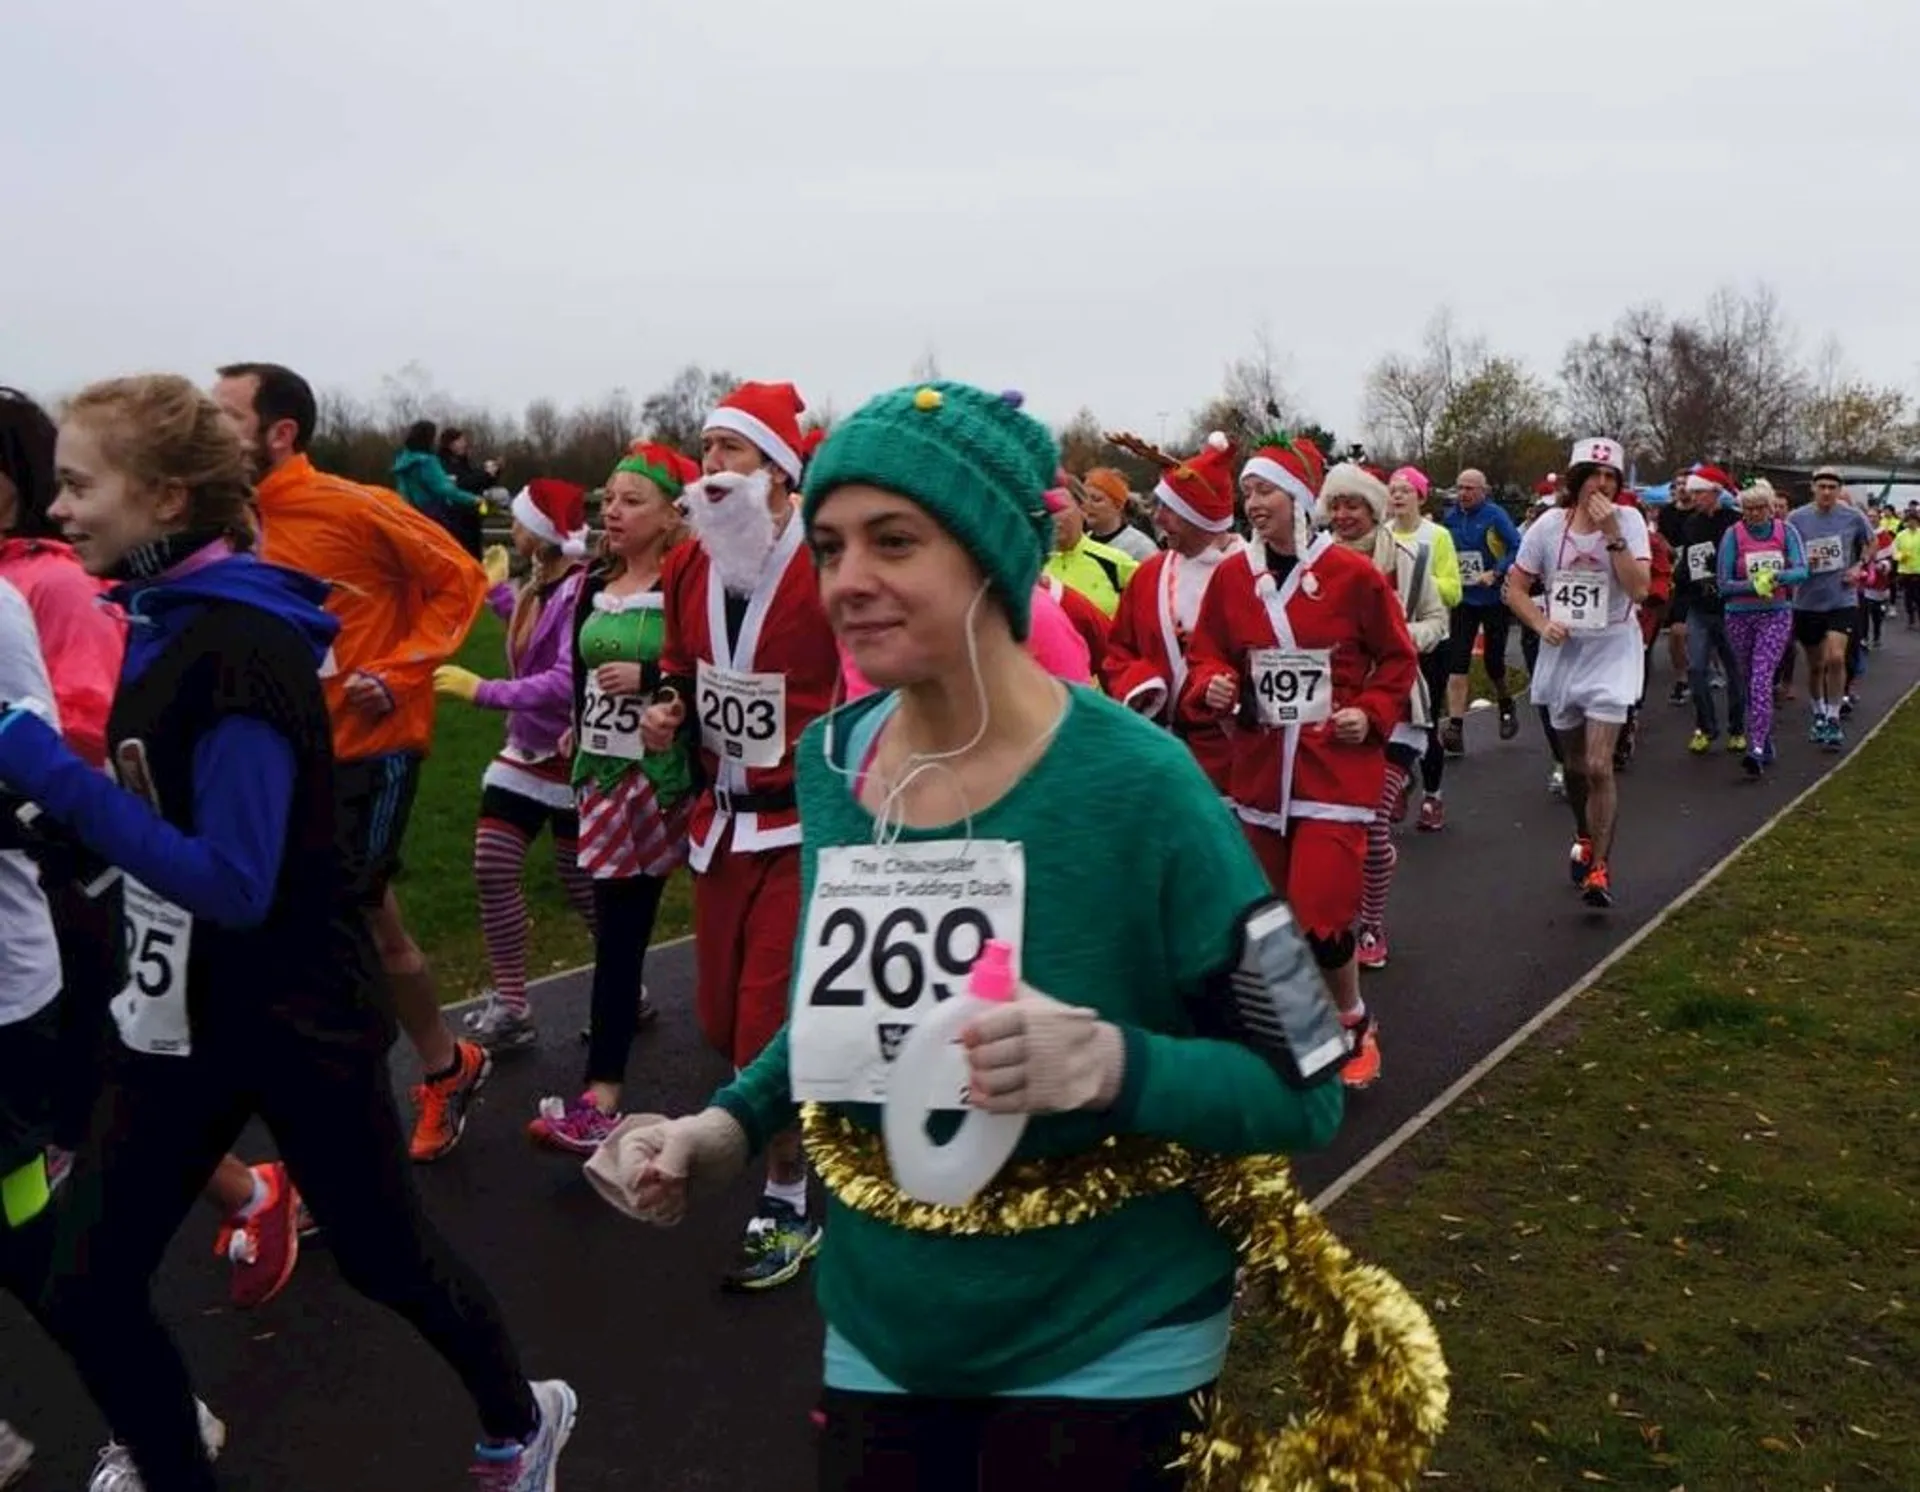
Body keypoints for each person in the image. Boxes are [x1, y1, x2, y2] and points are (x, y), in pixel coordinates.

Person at [586, 380, 1347, 1490]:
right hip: (885, 1328)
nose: (847, 580)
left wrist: (1106, 1064)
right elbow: (844, 1021)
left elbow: (1307, 1082)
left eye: (894, 541)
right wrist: (724, 1130)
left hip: (1110, 1338)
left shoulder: (1148, 786)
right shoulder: (837, 764)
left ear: (990, 551)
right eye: (833, 544)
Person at [0, 375, 572, 1491]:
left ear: (164, 497)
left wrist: (49, 778)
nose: (55, 509)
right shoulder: (162, 618)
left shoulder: (243, 645)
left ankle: (521, 1416)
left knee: (381, 1253)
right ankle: (175, 1463)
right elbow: (161, 813)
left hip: (294, 1012)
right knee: (88, 1278)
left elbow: (235, 881)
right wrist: (57, 831)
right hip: (179, 1012)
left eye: (76, 484)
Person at [212, 363, 494, 1169]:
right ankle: (447, 1064)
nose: (207, 428)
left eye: (223, 415)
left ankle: (339, 1148)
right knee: (367, 921)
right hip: (278, 756)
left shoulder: (355, 504)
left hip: (371, 746)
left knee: (326, 933)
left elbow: (460, 580)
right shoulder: (223, 521)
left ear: (280, 432)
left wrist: (400, 668)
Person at [639, 381, 839, 1291]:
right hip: (718, 827)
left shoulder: (827, 568)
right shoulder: (690, 567)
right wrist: (666, 710)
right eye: (707, 449)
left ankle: (790, 1195)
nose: (711, 469)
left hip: (803, 827)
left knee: (763, 1025)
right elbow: (679, 669)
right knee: (719, 1020)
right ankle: (822, 1116)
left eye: (733, 453)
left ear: (781, 473)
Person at [1183, 461, 1419, 1089]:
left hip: (1332, 774)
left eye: (1263, 491)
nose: (1252, 503)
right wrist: (1213, 684)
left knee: (1319, 915)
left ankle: (1353, 1019)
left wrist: (1368, 715)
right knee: (1271, 916)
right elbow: (1206, 650)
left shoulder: (1353, 575)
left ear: (1295, 498)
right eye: (1246, 493)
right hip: (1261, 771)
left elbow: (1398, 656)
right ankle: (1299, 1027)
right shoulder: (1235, 577)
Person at [522, 446, 696, 1151]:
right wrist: (576, 729)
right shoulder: (595, 580)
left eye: (630, 501)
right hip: (605, 777)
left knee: (727, 940)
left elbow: (714, 667)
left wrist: (652, 671)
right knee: (619, 933)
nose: (612, 513)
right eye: (608, 501)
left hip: (676, 781)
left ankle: (770, 1089)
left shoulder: (693, 583)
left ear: (669, 516)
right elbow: (581, 674)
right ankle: (601, 1098)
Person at [433, 479, 599, 1052]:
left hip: (572, 756)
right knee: (490, 866)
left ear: (545, 534)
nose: (513, 526)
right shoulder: (541, 586)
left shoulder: (582, 592)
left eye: (522, 520)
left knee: (581, 886)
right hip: (523, 754)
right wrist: (500, 596)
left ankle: (625, 984)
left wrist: (484, 690)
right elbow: (532, 643)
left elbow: (561, 679)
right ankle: (512, 1004)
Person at [1503, 438, 1652, 910]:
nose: (1602, 485)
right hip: (1564, 650)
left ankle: (1600, 868)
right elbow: (1516, 588)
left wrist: (1613, 534)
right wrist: (1540, 622)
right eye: (1595, 475)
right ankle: (1584, 833)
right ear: (1577, 479)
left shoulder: (1629, 523)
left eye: (1611, 478)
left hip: (1612, 647)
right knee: (1572, 766)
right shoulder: (1549, 526)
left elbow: (1641, 589)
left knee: (1597, 763)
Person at [1321, 466, 1446, 970]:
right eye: (1336, 505)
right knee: (1335, 825)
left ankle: (1370, 924)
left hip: (1398, 707)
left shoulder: (1410, 562)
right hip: (1330, 706)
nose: (1343, 515)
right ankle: (1327, 919)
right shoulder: (1314, 562)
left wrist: (1400, 639)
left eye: (1353, 505)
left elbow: (1439, 620)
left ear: (1375, 511)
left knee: (1372, 823)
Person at [1102, 430, 1254, 796]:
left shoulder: (1255, 577)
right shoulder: (1150, 575)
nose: (1158, 519)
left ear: (1201, 517)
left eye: (1169, 511)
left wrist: (1232, 689)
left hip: (1233, 759)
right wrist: (1141, 686)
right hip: (1159, 754)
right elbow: (1118, 652)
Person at [1716, 480, 1808, 779]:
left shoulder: (1786, 532)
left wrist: (1776, 577)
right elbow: (1723, 583)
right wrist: (1752, 585)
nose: (1755, 514)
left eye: (1760, 508)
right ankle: (1765, 740)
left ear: (1771, 508)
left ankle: (1754, 748)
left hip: (1776, 614)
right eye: (1749, 509)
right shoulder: (1733, 535)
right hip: (1739, 615)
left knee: (1761, 677)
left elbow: (1802, 569)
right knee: (1748, 678)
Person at [1384, 466, 1459, 829]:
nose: (1398, 496)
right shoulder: (1381, 536)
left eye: (1405, 491)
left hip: (1430, 642)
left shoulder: (1437, 536)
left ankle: (1433, 797)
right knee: (1387, 720)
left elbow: (1453, 590)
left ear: (1421, 496)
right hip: (1388, 643)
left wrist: (1415, 574)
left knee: (1425, 720)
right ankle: (1395, 785)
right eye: (1393, 490)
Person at [1787, 466, 1876, 750]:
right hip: (1807, 602)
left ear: (1839, 490)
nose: (1827, 492)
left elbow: (1871, 542)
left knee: (1836, 658)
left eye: (1832, 487)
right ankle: (1819, 713)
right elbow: (1785, 551)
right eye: (1822, 487)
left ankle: (1834, 717)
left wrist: (1858, 566)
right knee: (1816, 666)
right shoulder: (1796, 518)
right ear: (1813, 488)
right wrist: (1798, 566)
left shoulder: (1853, 516)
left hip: (1842, 598)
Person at [1437, 468, 1522, 751]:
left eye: (1470, 488)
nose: (1464, 493)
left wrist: (1495, 572)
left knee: (1493, 662)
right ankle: (1456, 727)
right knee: (1457, 662)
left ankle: (1506, 703)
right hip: (1464, 599)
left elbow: (1517, 547)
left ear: (1483, 491)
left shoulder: (1495, 515)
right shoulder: (1451, 517)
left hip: (1493, 598)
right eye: (1460, 487)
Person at [1669, 467, 1745, 755]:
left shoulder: (1736, 523)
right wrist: (1682, 575)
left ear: (1716, 492)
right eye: (1693, 492)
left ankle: (1737, 729)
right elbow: (1688, 558)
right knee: (1696, 668)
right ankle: (1705, 726)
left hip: (1731, 607)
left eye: (1700, 492)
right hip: (1700, 607)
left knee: (1735, 670)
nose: (1694, 497)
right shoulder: (1691, 523)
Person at [1042, 483, 1139, 617]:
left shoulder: (1115, 562)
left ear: (1083, 509)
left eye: (1059, 509)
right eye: (1045, 512)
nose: (1052, 518)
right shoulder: (1031, 567)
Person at [392, 418, 484, 541]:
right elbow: (445, 489)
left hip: (408, 516)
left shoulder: (402, 462)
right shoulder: (427, 462)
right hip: (431, 518)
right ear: (427, 439)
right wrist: (473, 499)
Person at [1076, 466, 1159, 562]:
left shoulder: (1141, 548)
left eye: (1096, 500)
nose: (1086, 505)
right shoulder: (1080, 542)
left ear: (1118, 506)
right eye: (1084, 498)